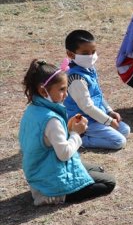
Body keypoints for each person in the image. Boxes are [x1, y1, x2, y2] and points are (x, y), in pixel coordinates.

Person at [19, 59, 116, 206]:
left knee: (98, 170)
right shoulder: (51, 120)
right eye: (62, 89)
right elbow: (63, 154)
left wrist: (69, 129)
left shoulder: (33, 109)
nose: (66, 94)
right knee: (109, 182)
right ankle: (53, 196)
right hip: (50, 178)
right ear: (43, 90)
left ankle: (43, 188)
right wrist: (76, 134)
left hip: (39, 169)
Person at [63, 30, 131, 150]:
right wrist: (108, 121)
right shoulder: (76, 78)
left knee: (125, 130)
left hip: (95, 116)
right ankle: (80, 139)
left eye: (93, 52)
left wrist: (109, 111)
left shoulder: (89, 69)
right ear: (71, 54)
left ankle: (93, 134)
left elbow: (97, 94)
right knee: (119, 141)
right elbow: (87, 107)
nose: (91, 56)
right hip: (83, 120)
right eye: (85, 53)